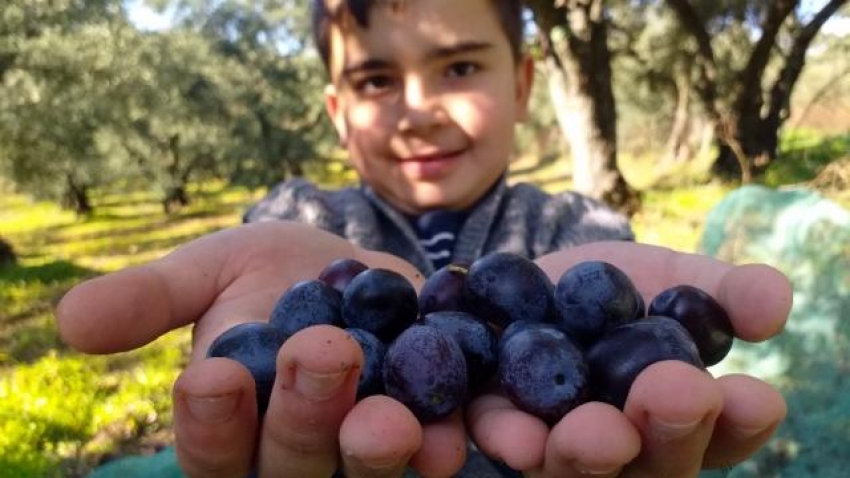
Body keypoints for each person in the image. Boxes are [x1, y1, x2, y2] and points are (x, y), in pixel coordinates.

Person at [56, 0, 792, 477]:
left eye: (461, 67)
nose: (418, 112)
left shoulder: (577, 230)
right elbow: (294, 321)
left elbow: (597, 340)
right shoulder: (305, 220)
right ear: (336, 112)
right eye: (376, 81)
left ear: (524, 83)